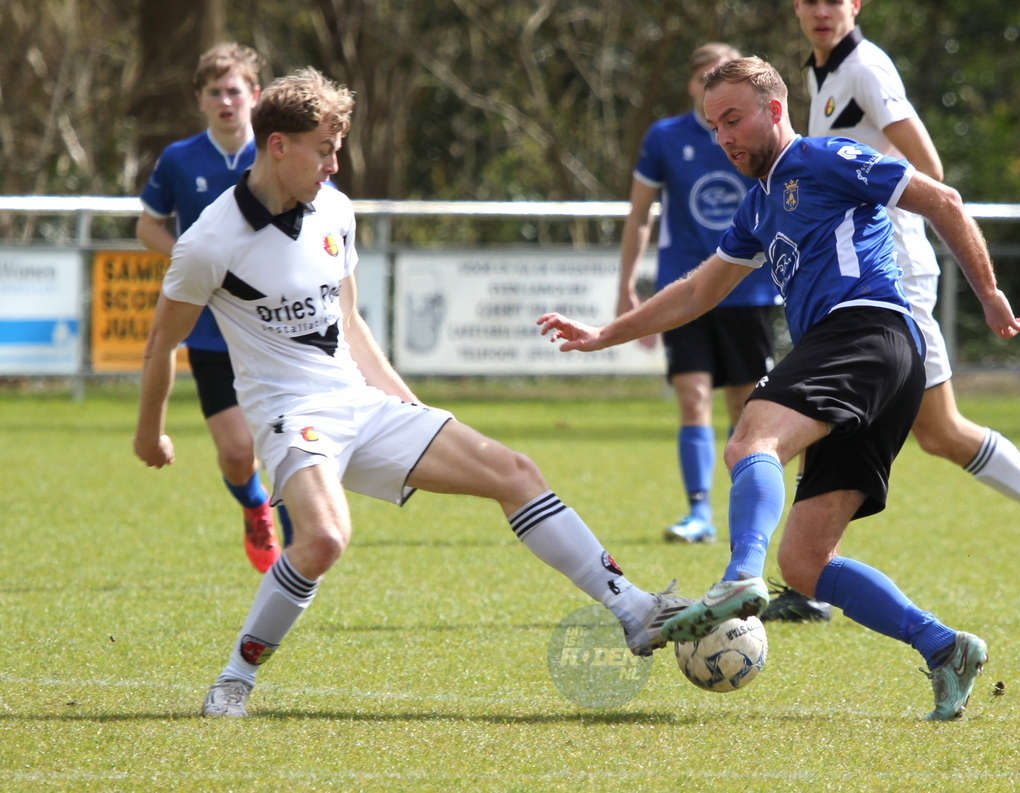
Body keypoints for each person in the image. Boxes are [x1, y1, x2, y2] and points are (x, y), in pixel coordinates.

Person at [132, 68, 692, 718]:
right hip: (291, 415)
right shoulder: (210, 240)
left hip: (359, 403)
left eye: (338, 149)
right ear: (278, 146)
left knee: (515, 472)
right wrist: (150, 432)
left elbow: (350, 322)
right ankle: (234, 681)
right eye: (324, 150)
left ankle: (634, 608)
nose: (334, 164)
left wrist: (409, 405)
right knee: (324, 538)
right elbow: (159, 344)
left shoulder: (335, 209)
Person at [540, 57, 1020, 719]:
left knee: (750, 441)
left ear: (774, 110)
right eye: (714, 126)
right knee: (805, 563)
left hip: (866, 330)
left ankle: (739, 575)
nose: (723, 138)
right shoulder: (759, 205)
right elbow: (698, 291)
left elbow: (943, 200)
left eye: (733, 119)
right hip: (871, 359)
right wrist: (606, 334)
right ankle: (945, 647)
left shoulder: (824, 158)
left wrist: (989, 293)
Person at [770, 0, 1020, 620]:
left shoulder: (866, 68)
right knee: (932, 430)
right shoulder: (823, 74)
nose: (821, 10)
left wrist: (870, 214)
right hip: (854, 277)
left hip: (889, 274)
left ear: (855, 4)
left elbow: (929, 167)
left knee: (910, 422)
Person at [618, 44, 795, 554]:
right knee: (692, 396)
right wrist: (626, 285)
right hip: (684, 287)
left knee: (747, 408)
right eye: (703, 77)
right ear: (693, 84)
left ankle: (746, 515)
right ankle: (698, 511)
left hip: (748, 287)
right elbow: (639, 215)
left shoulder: (759, 134)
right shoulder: (665, 137)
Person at [137, 43, 289, 573]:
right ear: (200, 99)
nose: (226, 101)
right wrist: (193, 258)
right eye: (215, 92)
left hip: (273, 325)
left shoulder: (278, 152)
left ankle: (303, 535)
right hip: (208, 329)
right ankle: (255, 505)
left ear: (256, 95)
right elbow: (147, 225)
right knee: (238, 453)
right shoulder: (180, 159)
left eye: (235, 91)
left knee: (290, 441)